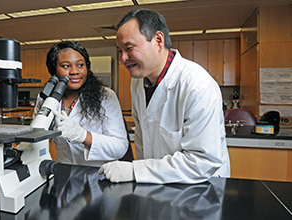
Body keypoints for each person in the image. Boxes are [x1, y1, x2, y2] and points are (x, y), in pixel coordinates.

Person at [98, 9, 230, 184]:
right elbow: (142, 139)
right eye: (120, 51)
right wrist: (143, 174)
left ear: (158, 41)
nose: (123, 58)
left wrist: (136, 170)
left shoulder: (197, 85)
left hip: (200, 187)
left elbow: (203, 162)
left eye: (129, 48)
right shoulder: (138, 83)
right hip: (156, 183)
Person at [34, 41, 129, 167]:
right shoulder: (46, 98)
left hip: (99, 173)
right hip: (64, 170)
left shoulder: (105, 96)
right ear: (54, 70)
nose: (74, 71)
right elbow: (36, 136)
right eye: (66, 66)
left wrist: (83, 136)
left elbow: (120, 147)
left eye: (80, 65)